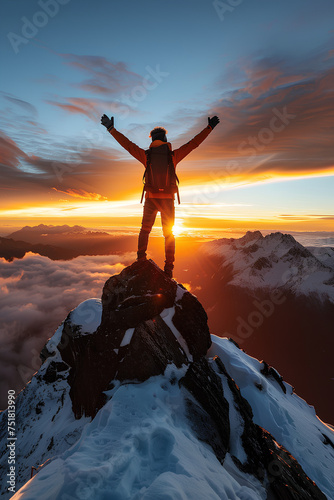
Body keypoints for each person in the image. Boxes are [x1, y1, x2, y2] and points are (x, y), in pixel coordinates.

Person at [101, 114, 220, 278]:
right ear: (165, 139)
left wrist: (111, 129)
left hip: (151, 199)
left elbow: (127, 145)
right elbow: (193, 144)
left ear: (152, 140)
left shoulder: (146, 156)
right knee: (169, 234)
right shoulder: (173, 156)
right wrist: (209, 128)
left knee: (145, 230)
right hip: (168, 201)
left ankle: (141, 260)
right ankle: (169, 268)